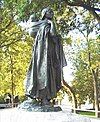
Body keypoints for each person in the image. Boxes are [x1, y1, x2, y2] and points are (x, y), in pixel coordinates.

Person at [25, 7, 67, 105]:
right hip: (41, 53)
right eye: (49, 11)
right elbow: (34, 32)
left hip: (50, 54)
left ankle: (46, 98)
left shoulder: (49, 23)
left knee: (49, 74)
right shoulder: (43, 24)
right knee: (39, 72)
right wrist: (51, 24)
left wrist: (52, 25)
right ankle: (34, 95)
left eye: (52, 11)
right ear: (44, 13)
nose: (52, 13)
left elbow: (54, 35)